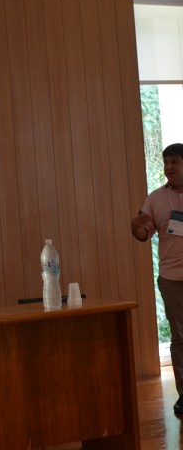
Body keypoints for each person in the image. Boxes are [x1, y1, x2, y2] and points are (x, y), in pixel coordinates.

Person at [131, 142, 183, 415]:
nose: (168, 168)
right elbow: (144, 231)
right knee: (180, 337)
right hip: (172, 279)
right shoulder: (156, 198)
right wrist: (138, 228)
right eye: (166, 162)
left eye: (175, 162)